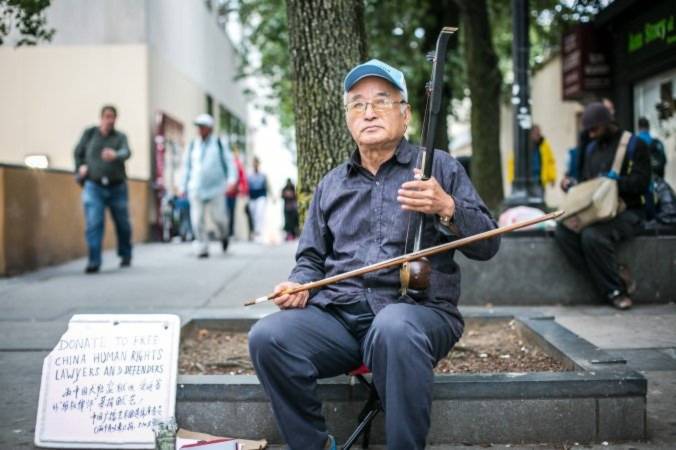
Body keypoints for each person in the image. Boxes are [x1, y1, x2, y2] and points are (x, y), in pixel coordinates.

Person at [248, 59, 500, 450]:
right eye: (357, 104)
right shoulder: (331, 184)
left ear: (406, 113)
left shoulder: (439, 168)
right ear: (348, 119)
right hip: (340, 318)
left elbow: (489, 245)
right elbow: (311, 258)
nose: (368, 112)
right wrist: (299, 284)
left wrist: (447, 206)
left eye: (381, 101)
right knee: (267, 336)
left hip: (420, 313)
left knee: (394, 326)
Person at [554, 102, 651, 310]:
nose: (590, 134)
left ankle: (615, 291)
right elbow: (587, 185)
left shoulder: (634, 145)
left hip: (629, 211)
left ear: (607, 123)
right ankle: (612, 278)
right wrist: (572, 185)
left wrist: (612, 183)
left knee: (592, 236)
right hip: (598, 213)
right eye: (587, 130)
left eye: (594, 129)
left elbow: (642, 183)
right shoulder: (591, 148)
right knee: (563, 231)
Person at [74, 105, 133, 274]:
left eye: (113, 117)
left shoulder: (120, 137)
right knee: (94, 223)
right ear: (101, 118)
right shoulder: (90, 134)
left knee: (123, 224)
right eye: (107, 116)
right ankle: (94, 260)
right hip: (94, 186)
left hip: (117, 187)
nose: (110, 120)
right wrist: (81, 167)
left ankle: (125, 254)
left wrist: (116, 155)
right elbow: (78, 153)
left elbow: (126, 151)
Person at [180, 114, 237, 258]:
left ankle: (224, 236)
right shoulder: (193, 145)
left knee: (219, 218)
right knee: (197, 219)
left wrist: (231, 180)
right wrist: (182, 186)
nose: (199, 129)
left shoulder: (219, 143)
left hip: (216, 188)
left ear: (210, 129)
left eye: (202, 127)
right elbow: (186, 167)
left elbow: (230, 163)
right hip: (196, 188)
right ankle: (202, 246)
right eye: (198, 127)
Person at [506, 124, 557, 200]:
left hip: (538, 182)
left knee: (538, 205)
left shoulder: (544, 145)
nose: (538, 135)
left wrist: (552, 177)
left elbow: (550, 162)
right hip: (524, 182)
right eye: (536, 133)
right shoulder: (522, 145)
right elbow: (512, 163)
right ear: (530, 134)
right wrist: (512, 179)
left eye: (539, 133)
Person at [225, 146, 249, 237]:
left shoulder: (238, 164)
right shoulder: (229, 164)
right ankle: (228, 232)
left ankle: (231, 232)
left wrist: (242, 189)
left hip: (234, 193)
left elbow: (243, 178)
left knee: (232, 213)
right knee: (228, 213)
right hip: (227, 192)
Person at [247, 157, 269, 241]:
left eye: (257, 163)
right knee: (253, 215)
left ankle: (259, 232)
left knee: (259, 213)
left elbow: (267, 186)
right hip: (252, 197)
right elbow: (247, 187)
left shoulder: (263, 175)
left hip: (261, 196)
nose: (255, 165)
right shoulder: (249, 175)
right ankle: (256, 231)